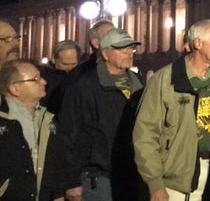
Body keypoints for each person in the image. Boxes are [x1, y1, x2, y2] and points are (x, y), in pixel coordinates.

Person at [133, 19, 210, 201]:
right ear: (198, 43)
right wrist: (155, 184)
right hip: (176, 182)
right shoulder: (165, 79)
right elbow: (145, 135)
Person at [59, 28, 144, 201]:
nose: (128, 53)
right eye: (121, 49)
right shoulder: (84, 86)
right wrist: (71, 180)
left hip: (134, 173)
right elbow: (68, 133)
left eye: (131, 48)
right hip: (99, 177)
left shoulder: (139, 83)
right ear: (105, 54)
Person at [0, 59, 64, 200]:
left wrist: (58, 194)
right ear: (15, 88)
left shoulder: (47, 119)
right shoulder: (3, 122)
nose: (44, 82)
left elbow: (56, 162)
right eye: (36, 79)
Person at [40, 39, 82, 115]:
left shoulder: (83, 77)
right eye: (65, 64)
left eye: (73, 64)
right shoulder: (44, 78)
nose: (70, 68)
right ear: (53, 59)